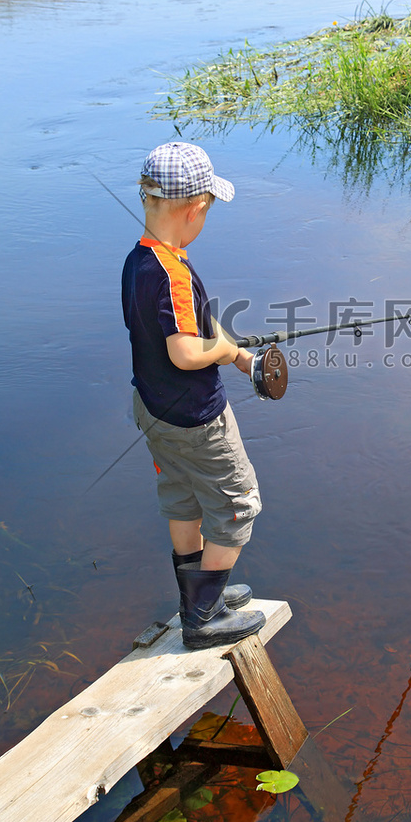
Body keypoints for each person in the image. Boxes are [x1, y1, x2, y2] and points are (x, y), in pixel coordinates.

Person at [121, 141, 264, 651]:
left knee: (183, 498)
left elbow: (191, 326)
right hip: (197, 419)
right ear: (196, 208)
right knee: (238, 502)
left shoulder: (141, 261)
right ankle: (203, 616)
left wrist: (240, 356)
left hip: (154, 410)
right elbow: (185, 351)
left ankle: (200, 597)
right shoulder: (175, 274)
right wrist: (223, 348)